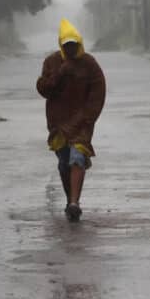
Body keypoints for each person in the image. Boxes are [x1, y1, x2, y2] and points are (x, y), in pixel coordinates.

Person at [36, 19, 106, 222]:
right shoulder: (52, 63)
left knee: (77, 158)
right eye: (67, 45)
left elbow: (98, 93)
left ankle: (75, 203)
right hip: (59, 123)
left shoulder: (90, 64)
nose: (71, 48)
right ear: (61, 45)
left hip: (82, 123)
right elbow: (43, 89)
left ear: (79, 44)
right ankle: (70, 200)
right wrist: (59, 74)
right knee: (63, 164)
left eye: (74, 44)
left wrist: (88, 118)